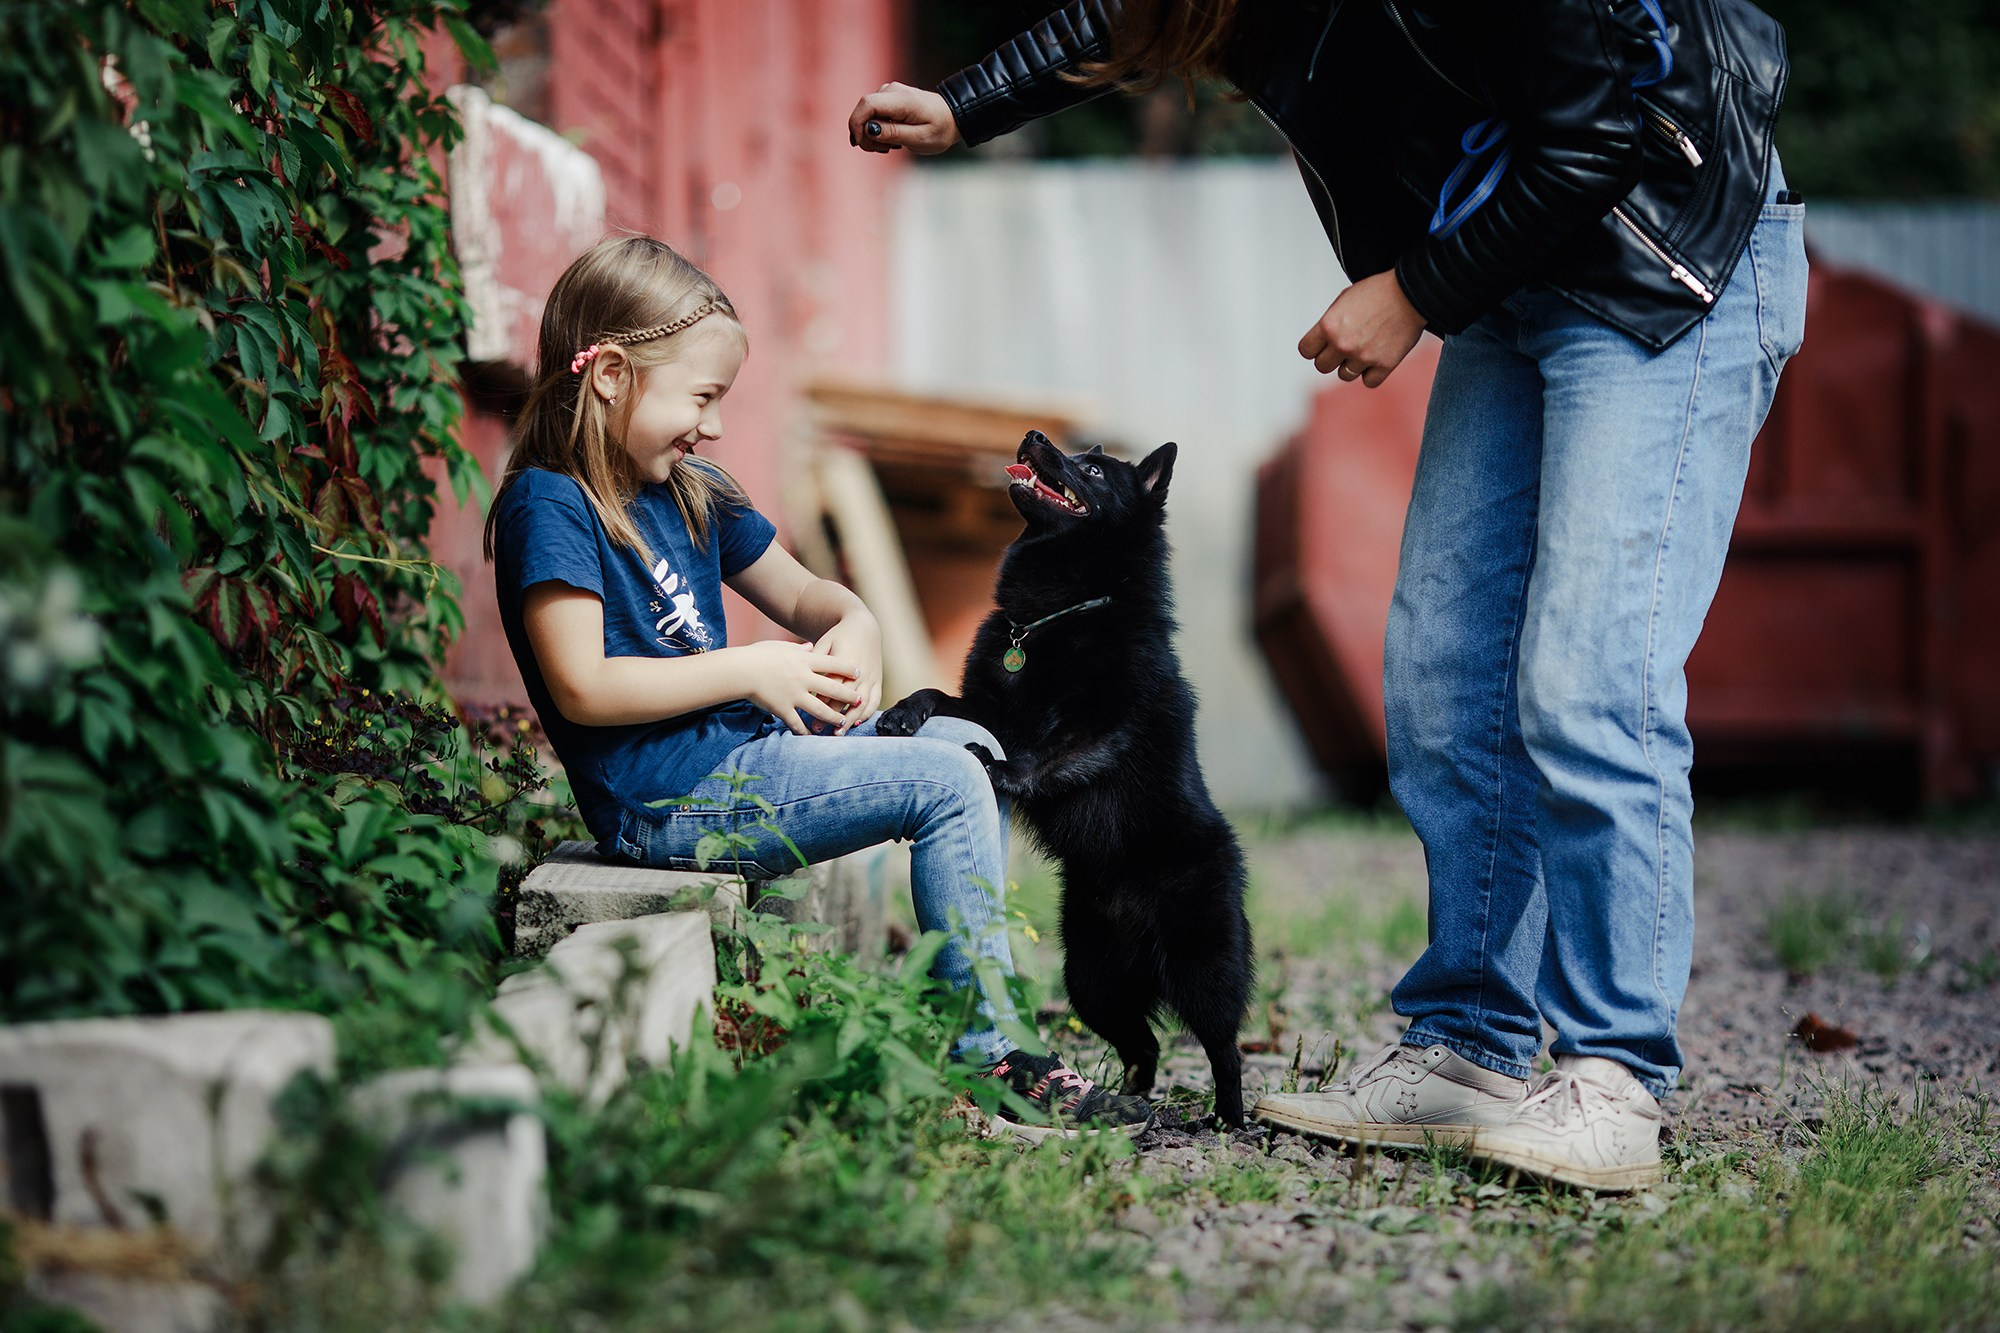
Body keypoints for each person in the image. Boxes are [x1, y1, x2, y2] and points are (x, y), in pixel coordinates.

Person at [847, 0, 1806, 1190]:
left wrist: (1410, 289)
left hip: (1661, 260)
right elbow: (1140, 9)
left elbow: (1597, 132)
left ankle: (1614, 1080)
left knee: (1587, 683)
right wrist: (966, 102)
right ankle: (1470, 1044)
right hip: (1510, 273)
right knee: (1442, 681)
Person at [483, 235, 1151, 1138]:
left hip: (742, 764)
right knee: (947, 783)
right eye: (702, 397)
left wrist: (857, 620)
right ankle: (990, 1059)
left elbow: (804, 593)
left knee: (970, 749)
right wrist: (752, 668)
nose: (712, 425)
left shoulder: (692, 490)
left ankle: (985, 1010)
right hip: (667, 802)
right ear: (607, 376)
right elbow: (583, 688)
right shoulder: (549, 504)